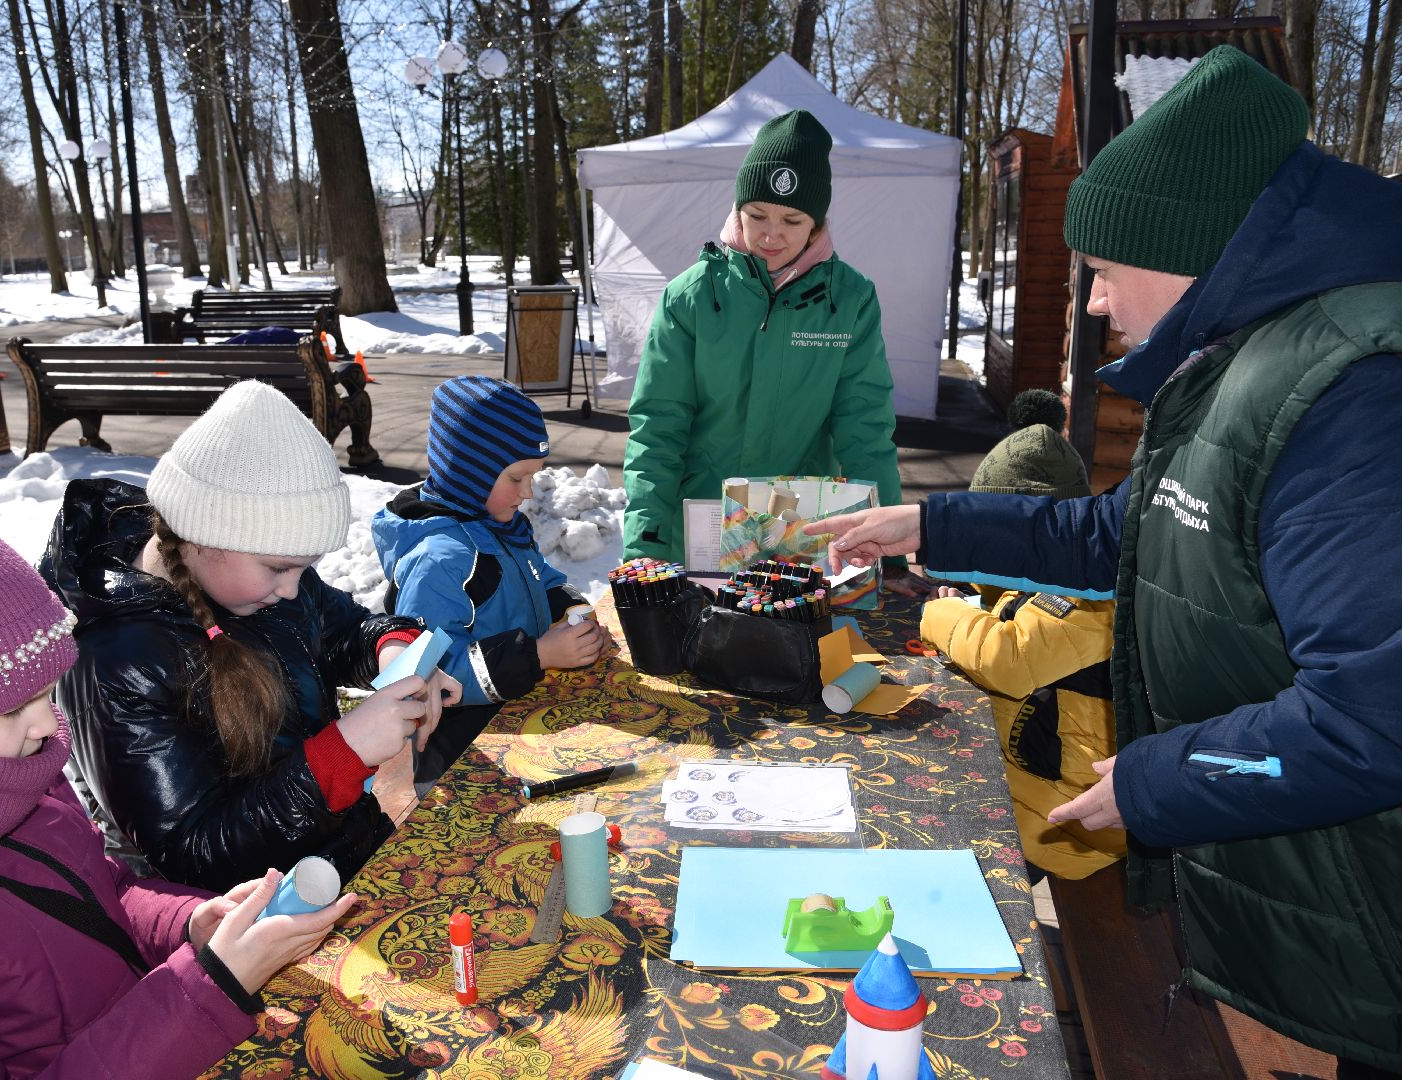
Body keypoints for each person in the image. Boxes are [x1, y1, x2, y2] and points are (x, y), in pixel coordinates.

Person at [806, 47, 1402, 1075]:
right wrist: (929, 527)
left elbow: (1374, 717)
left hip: (1355, 925)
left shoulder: (1351, 398)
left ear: (1189, 251)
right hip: (1276, 886)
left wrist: (1158, 781)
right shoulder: (1245, 362)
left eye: (1104, 272)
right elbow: (1117, 535)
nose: (1090, 304)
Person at [0, 489, 357, 1077]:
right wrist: (208, 989)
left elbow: (99, 892)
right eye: (10, 708)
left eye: (44, 691)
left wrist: (187, 924)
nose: (47, 722)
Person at [42, 380, 460, 893]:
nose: (292, 589)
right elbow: (190, 854)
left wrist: (393, 649)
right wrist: (339, 757)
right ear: (204, 533)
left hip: (334, 855)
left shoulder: (253, 578)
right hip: (252, 917)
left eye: (304, 569)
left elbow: (340, 631)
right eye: (279, 568)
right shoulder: (115, 659)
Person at [621, 109, 920, 594]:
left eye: (791, 219)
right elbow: (658, 427)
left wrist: (890, 552)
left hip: (798, 536)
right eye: (756, 214)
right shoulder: (691, 297)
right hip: (698, 533)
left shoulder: (849, 300)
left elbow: (865, 429)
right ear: (737, 208)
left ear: (818, 222)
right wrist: (644, 548)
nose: (770, 235)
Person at [916, 391, 1124, 882]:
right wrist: (974, 604)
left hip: (1069, 819)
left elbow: (1006, 658)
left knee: (935, 800)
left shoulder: (1091, 597)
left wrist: (940, 613)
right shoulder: (1036, 583)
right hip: (1044, 782)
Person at [372, 375, 611, 788]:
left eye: (533, 477)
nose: (528, 492)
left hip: (514, 729)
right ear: (470, 472)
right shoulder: (440, 560)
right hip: (461, 761)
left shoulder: (500, 527)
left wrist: (573, 611)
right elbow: (429, 673)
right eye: (516, 478)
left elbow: (542, 578)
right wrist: (537, 655)